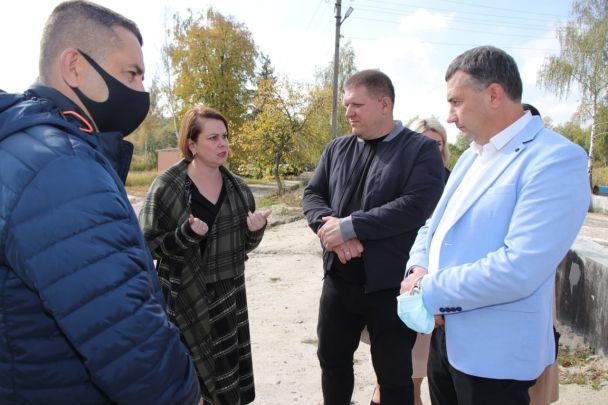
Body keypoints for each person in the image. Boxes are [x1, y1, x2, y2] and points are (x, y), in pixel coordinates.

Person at [0, 1, 200, 404]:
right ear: (74, 66)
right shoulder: (60, 167)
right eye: (131, 74)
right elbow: (126, 334)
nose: (141, 92)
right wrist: (183, 395)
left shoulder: (25, 145)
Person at [399, 45, 590, 404]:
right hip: (445, 342)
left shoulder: (554, 159)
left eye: (456, 102)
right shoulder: (473, 156)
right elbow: (433, 226)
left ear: (494, 95)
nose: (450, 116)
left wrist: (428, 290)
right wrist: (418, 267)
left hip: (496, 357)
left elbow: (519, 267)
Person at [302, 69, 445, 405]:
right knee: (332, 362)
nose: (348, 112)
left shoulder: (420, 150)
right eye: (346, 105)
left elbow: (415, 205)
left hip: (389, 286)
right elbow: (312, 194)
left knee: (394, 376)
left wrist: (351, 226)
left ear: (384, 104)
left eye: (356, 105)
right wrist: (332, 231)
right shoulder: (337, 148)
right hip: (339, 281)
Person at [139, 105, 271, 405]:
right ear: (192, 144)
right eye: (213, 138)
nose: (222, 144)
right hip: (181, 299)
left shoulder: (238, 189)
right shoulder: (167, 187)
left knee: (224, 385)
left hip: (227, 296)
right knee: (185, 384)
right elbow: (147, 245)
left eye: (225, 136)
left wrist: (254, 231)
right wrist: (184, 235)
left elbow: (241, 247)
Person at [365, 116, 451, 405]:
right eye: (425, 142)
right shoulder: (394, 177)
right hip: (395, 281)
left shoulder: (454, 182)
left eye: (437, 144)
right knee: (392, 373)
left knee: (419, 373)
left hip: (432, 286)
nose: (432, 149)